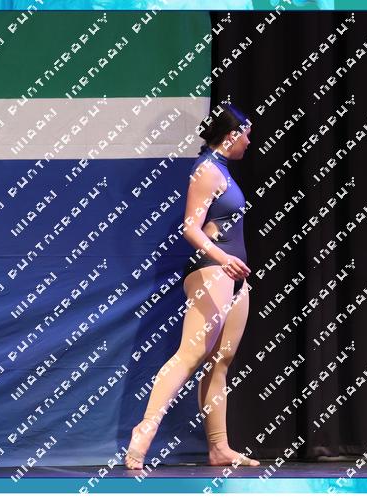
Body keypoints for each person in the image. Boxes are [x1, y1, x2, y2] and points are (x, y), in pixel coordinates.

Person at [124, 103, 260, 469]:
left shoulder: (223, 171)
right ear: (231, 135)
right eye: (246, 135)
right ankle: (145, 429)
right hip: (213, 271)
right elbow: (190, 227)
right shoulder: (207, 170)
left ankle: (219, 447)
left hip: (233, 276)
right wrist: (222, 258)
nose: (249, 142)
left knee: (220, 361)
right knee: (191, 353)